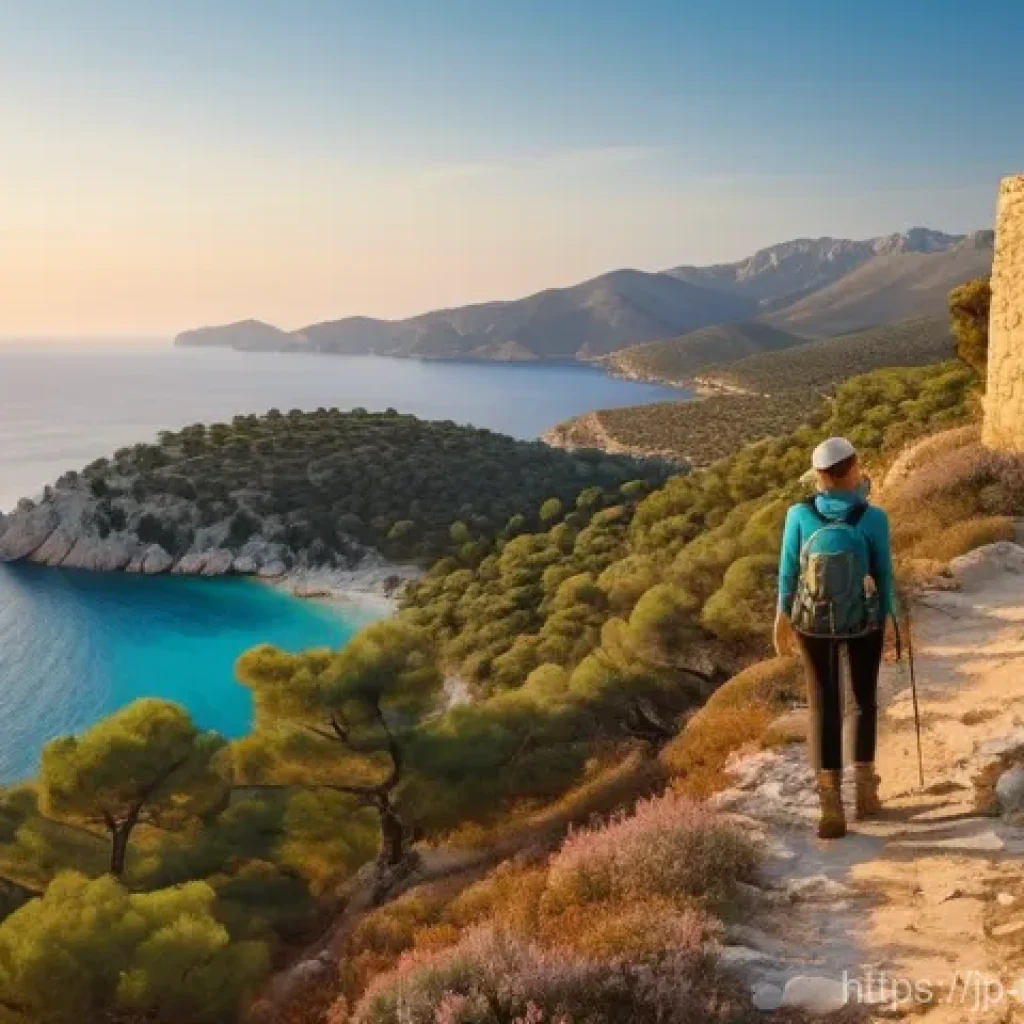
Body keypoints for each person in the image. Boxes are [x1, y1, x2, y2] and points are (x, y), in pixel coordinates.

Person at [774, 436, 899, 839]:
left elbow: (789, 571)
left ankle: (831, 805)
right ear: (854, 469)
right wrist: (891, 617)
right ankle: (865, 794)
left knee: (823, 705)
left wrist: (781, 616)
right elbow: (884, 574)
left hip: (811, 622)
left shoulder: (798, 513)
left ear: (819, 475)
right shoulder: (872, 517)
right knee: (863, 701)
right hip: (863, 620)